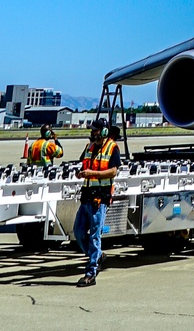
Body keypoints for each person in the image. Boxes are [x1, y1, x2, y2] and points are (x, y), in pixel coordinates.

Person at [73, 118, 121, 287]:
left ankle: (91, 273)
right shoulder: (89, 147)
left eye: (96, 130)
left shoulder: (112, 148)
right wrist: (80, 173)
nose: (93, 133)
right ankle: (98, 255)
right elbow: (83, 165)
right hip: (86, 196)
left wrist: (92, 173)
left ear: (105, 131)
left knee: (95, 236)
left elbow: (113, 171)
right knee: (78, 232)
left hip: (99, 199)